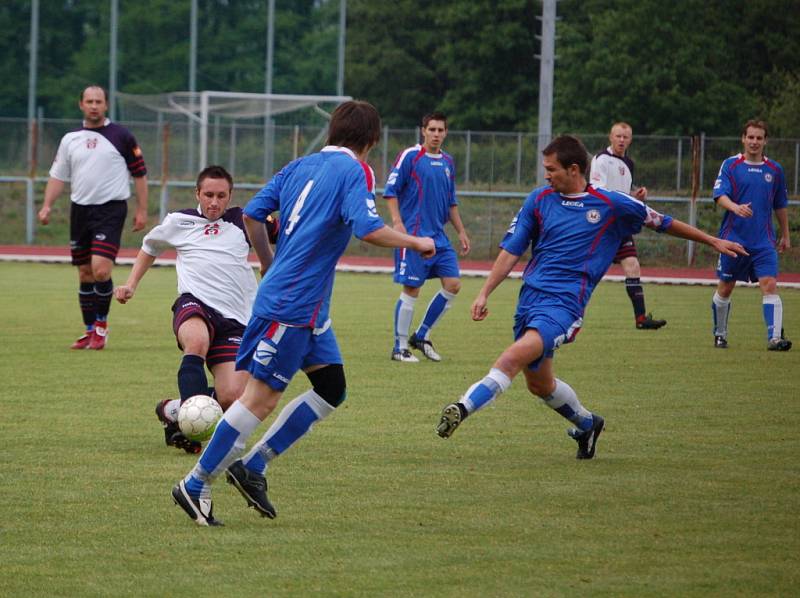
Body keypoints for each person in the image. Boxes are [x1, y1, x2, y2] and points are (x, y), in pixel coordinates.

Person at [171, 100, 436, 526]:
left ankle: (253, 466)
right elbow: (367, 229)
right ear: (371, 141)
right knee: (260, 399)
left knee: (332, 389)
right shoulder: (356, 170)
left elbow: (254, 214)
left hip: (308, 305)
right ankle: (196, 483)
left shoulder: (299, 165)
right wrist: (416, 242)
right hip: (292, 306)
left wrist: (268, 261)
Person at [436, 135, 746, 459]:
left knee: (512, 357)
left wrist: (712, 241)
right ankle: (588, 424)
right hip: (529, 301)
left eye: (551, 169)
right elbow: (512, 250)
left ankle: (462, 407)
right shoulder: (539, 199)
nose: (546, 175)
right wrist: (484, 292)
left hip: (565, 306)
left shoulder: (611, 204)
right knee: (539, 385)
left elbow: (663, 222)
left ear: (574, 169)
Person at [114, 166, 277, 454]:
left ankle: (174, 409)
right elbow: (150, 247)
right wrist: (131, 284)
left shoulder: (244, 219)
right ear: (197, 194)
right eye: (208, 195)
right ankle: (190, 429)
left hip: (237, 318)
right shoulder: (180, 221)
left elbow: (286, 230)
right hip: (195, 304)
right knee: (197, 341)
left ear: (230, 196)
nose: (214, 202)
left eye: (221, 196)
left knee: (232, 397)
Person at [38, 85, 148, 350]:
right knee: (85, 273)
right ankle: (89, 330)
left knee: (100, 268)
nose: (94, 105)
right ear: (81, 105)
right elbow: (57, 175)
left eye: (99, 101)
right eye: (89, 101)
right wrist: (47, 205)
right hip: (80, 211)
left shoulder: (121, 136)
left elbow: (140, 174)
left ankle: (101, 326)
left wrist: (142, 209)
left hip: (110, 209)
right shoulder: (70, 139)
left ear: (106, 105)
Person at [384, 111, 470, 363]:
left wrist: (461, 231)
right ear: (423, 131)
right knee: (412, 289)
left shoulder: (448, 162)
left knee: (453, 284)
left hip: (439, 238)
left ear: (445, 133)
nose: (436, 134)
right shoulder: (410, 156)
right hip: (413, 237)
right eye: (431, 129)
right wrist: (398, 223)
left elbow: (451, 202)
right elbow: (391, 191)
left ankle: (421, 335)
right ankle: (399, 348)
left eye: (440, 130)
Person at [710, 119, 792, 351]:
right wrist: (735, 207)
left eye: (759, 138)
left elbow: (780, 204)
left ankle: (774, 338)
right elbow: (719, 195)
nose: (754, 142)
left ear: (765, 141)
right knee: (725, 287)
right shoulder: (730, 165)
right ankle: (720, 334)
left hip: (764, 241)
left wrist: (785, 234)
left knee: (769, 284)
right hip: (733, 240)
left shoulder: (775, 170)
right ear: (743, 139)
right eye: (751, 137)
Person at [590, 122, 666, 330]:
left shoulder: (629, 163)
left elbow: (621, 194)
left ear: (630, 139)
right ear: (610, 137)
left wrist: (636, 196)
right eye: (618, 136)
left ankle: (641, 319)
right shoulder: (601, 160)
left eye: (625, 137)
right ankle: (568, 311)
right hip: (603, 224)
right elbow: (598, 191)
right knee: (590, 270)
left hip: (620, 225)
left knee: (632, 266)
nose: (621, 140)